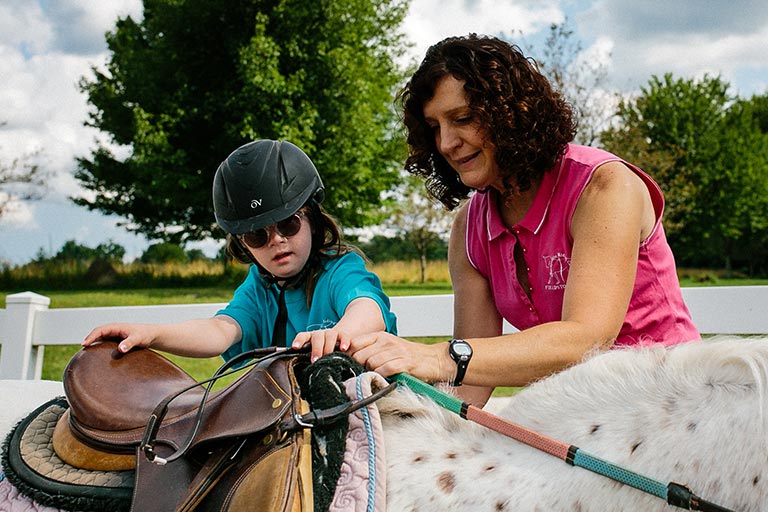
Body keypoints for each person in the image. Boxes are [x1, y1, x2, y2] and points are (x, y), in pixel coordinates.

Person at [345, 34, 699, 406]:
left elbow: (586, 339)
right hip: (584, 416)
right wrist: (388, 409)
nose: (447, 142)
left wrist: (434, 356)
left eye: (462, 118)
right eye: (434, 127)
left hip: (674, 403)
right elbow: (470, 387)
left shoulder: (605, 187)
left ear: (512, 114)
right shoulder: (469, 227)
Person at [83, 139, 397, 364]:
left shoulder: (340, 269)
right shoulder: (258, 288)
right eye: (256, 235)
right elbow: (221, 329)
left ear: (313, 221)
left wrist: (338, 334)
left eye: (288, 224)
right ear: (242, 244)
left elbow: (367, 308)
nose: (276, 240)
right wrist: (153, 334)